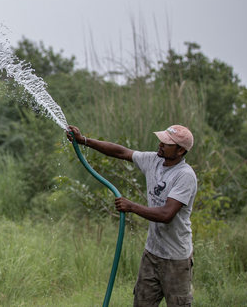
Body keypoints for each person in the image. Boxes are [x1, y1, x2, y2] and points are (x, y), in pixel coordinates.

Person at [66, 125, 197, 307]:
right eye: (161, 140)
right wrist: (84, 141)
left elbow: (167, 214)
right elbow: (120, 152)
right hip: (152, 254)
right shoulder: (154, 161)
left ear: (181, 150)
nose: (160, 144)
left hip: (175, 259)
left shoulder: (184, 176)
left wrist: (132, 206)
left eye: (166, 143)